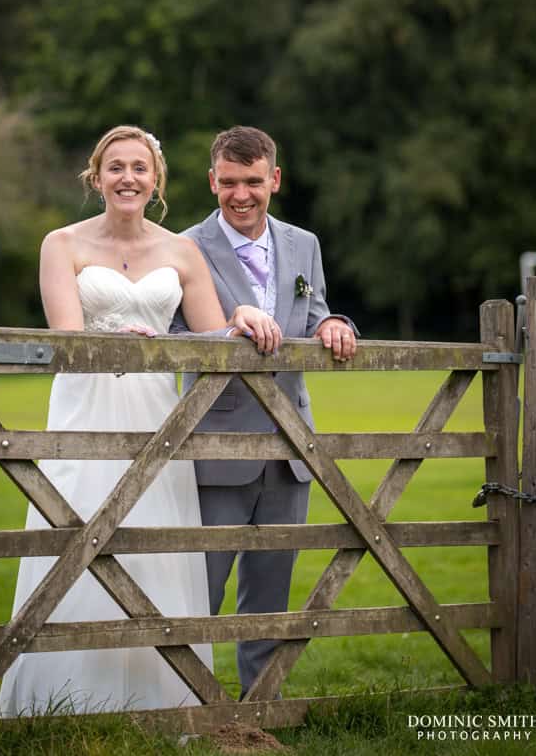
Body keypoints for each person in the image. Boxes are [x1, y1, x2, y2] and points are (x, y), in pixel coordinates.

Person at [0, 125, 278, 717]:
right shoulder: (62, 244)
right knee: (76, 538)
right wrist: (113, 340)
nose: (128, 178)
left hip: (157, 417)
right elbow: (67, 337)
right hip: (84, 412)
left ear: (157, 181)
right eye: (116, 167)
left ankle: (163, 701)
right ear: (96, 178)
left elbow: (210, 335)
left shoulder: (181, 251)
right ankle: (63, 702)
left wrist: (243, 314)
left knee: (154, 548)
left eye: (140, 168)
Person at [176, 125, 358, 698]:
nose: (241, 195)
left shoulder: (305, 244)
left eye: (253, 181)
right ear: (212, 181)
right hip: (215, 446)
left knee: (271, 590)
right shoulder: (184, 246)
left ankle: (260, 707)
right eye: (228, 182)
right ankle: (191, 710)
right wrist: (231, 322)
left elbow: (317, 310)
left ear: (274, 179)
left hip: (291, 449)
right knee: (198, 589)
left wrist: (335, 324)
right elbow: (177, 333)